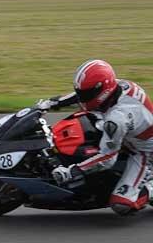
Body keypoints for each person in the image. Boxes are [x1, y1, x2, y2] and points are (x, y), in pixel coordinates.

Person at [36, 60, 153, 215]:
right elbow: (81, 94)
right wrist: (52, 103)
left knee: (122, 204)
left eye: (87, 94)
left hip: (144, 152)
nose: (82, 98)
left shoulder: (117, 119)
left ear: (102, 91)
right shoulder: (117, 86)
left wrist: (73, 171)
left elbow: (107, 159)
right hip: (131, 133)